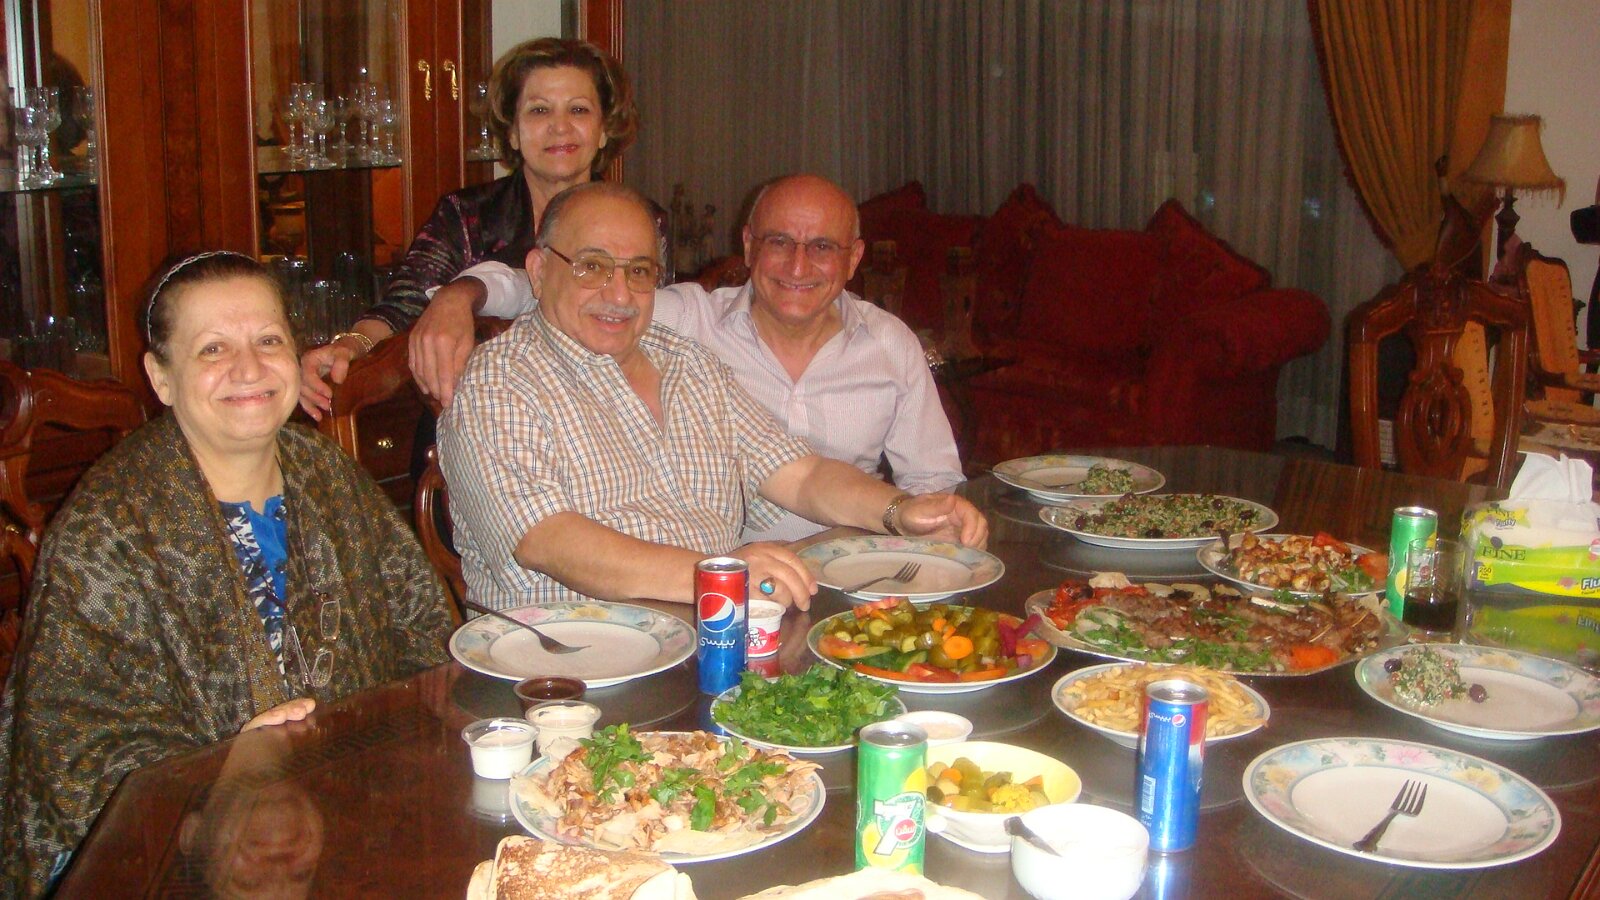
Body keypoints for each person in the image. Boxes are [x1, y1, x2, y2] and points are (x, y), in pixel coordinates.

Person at [0, 252, 453, 896]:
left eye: (268, 340)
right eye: (213, 348)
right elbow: (72, 741)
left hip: (352, 815)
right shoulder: (109, 525)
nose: (249, 368)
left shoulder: (329, 476)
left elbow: (423, 634)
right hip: (174, 854)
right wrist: (218, 778)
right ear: (161, 377)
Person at [437, 182, 987, 612]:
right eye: (592, 266)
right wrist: (719, 576)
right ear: (538, 271)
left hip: (715, 636)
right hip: (561, 673)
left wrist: (899, 511)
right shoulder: (499, 382)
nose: (619, 293)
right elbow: (547, 540)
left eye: (639, 271)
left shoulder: (689, 364)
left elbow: (799, 474)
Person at [298, 37, 645, 415]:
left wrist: (461, 294)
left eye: (578, 109)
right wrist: (349, 345)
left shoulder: (642, 223)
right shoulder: (467, 215)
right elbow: (403, 304)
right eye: (539, 110)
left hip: (605, 420)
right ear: (512, 132)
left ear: (604, 129)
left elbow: (653, 336)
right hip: (478, 419)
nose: (559, 127)